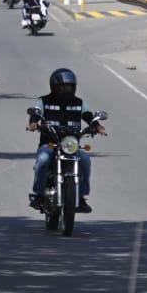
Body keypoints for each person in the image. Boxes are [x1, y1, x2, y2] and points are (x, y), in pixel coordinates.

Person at [27, 68, 104, 213]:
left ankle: (80, 196)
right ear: (54, 86)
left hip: (71, 146)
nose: (66, 89)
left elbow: (88, 115)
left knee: (86, 159)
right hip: (50, 144)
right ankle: (36, 194)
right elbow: (36, 112)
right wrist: (33, 123)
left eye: (69, 86)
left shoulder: (79, 103)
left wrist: (97, 126)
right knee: (43, 160)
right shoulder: (43, 101)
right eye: (62, 86)